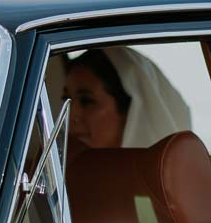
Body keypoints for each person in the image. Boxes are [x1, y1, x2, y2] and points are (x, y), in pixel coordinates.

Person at [63, 45, 191, 152]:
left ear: (128, 111)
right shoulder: (55, 178)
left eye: (87, 101)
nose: (70, 115)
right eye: (66, 99)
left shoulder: (161, 182)